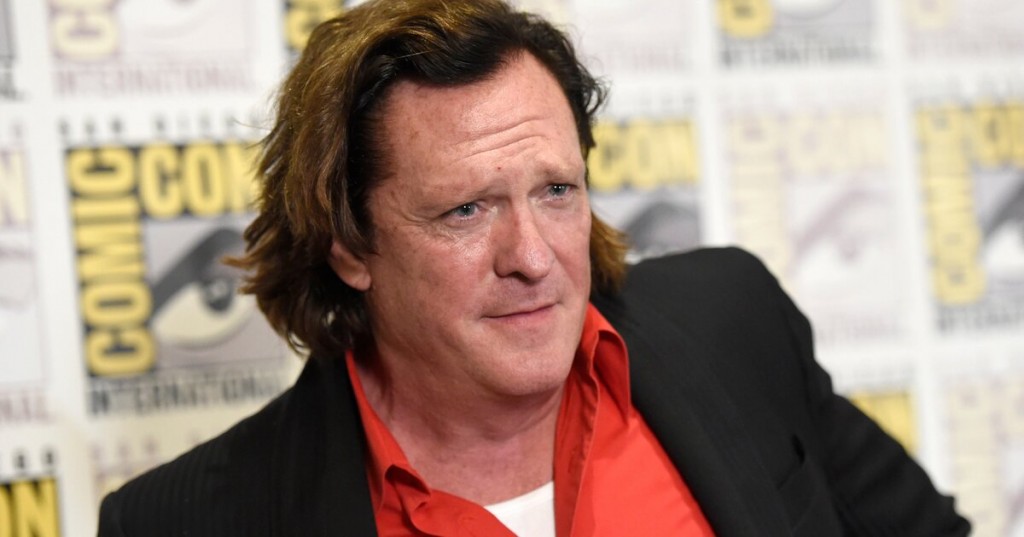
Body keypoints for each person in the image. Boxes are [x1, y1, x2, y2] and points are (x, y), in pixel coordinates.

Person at [97, 0, 971, 535]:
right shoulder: (193, 519)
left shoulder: (732, 324)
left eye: (555, 190)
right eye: (466, 210)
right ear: (350, 246)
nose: (532, 256)